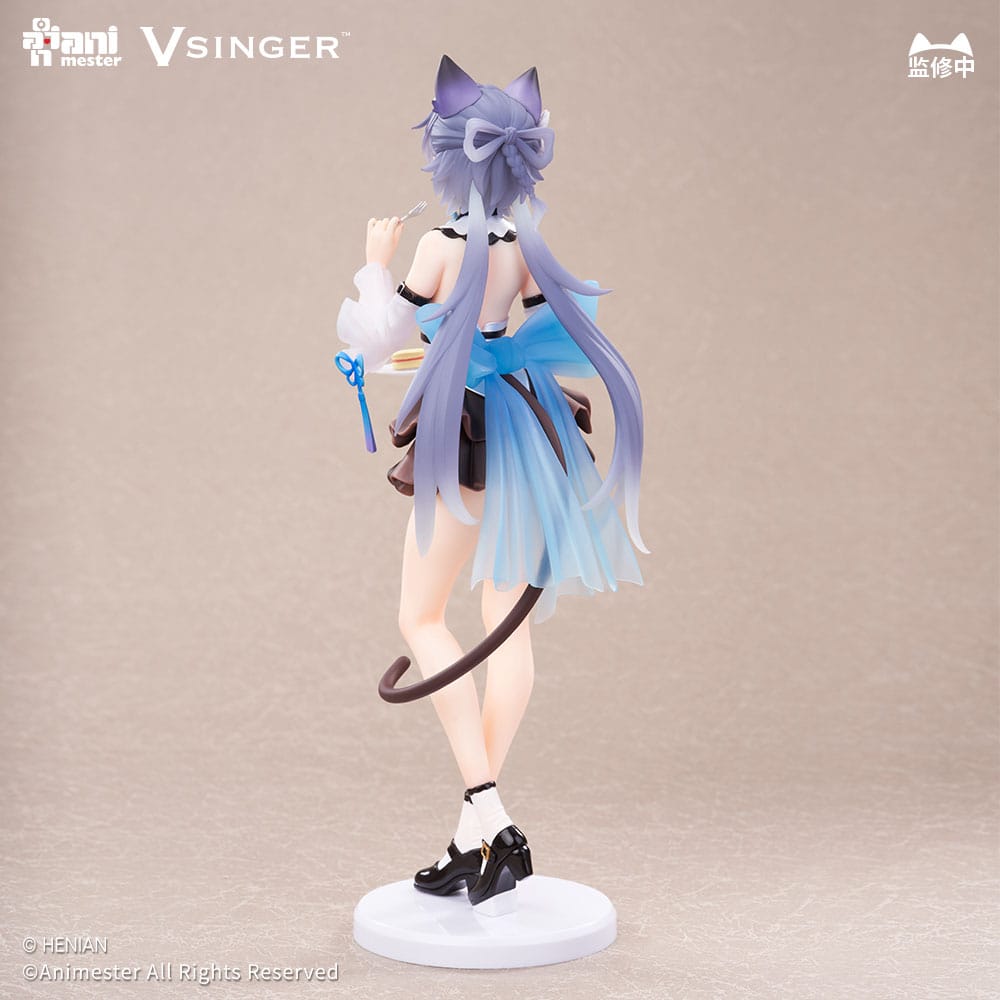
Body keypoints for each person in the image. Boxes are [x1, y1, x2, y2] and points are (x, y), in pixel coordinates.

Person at [336, 55, 648, 915]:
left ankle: (490, 813)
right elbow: (549, 336)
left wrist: (374, 264)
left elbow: (378, 339)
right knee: (506, 627)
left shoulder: (439, 247)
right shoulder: (526, 248)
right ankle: (472, 839)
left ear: (448, 157)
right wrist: (476, 349)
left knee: (422, 617)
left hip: (466, 435)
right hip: (521, 432)